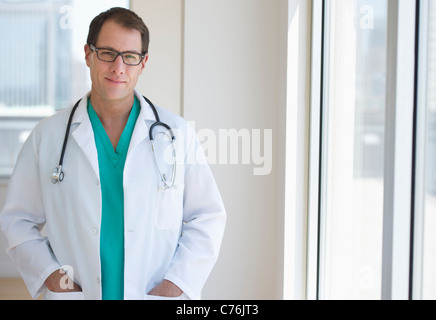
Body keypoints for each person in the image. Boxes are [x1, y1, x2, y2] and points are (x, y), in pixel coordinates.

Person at [0, 7, 226, 300]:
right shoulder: (48, 136)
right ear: (88, 54)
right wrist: (53, 278)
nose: (118, 67)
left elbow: (208, 216)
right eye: (107, 52)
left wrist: (175, 285)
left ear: (143, 63)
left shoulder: (176, 134)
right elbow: (18, 220)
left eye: (130, 56)